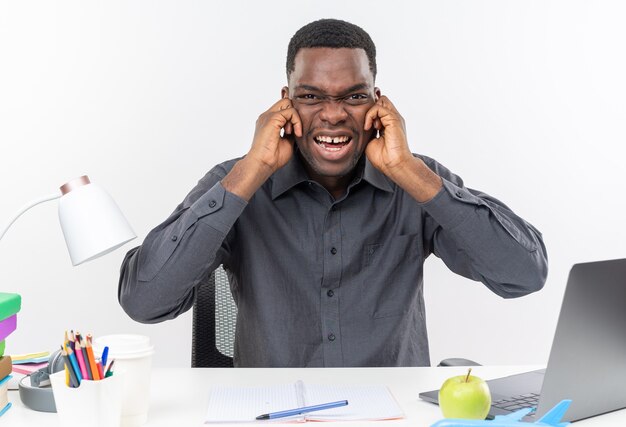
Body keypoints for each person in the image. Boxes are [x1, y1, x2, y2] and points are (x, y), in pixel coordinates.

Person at [118, 19, 547, 367]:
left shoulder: (416, 178)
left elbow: (524, 275)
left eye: (354, 97)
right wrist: (251, 171)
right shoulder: (237, 179)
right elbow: (145, 302)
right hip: (271, 411)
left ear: (378, 102)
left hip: (392, 413)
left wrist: (409, 172)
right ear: (285, 103)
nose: (334, 114)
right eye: (311, 96)